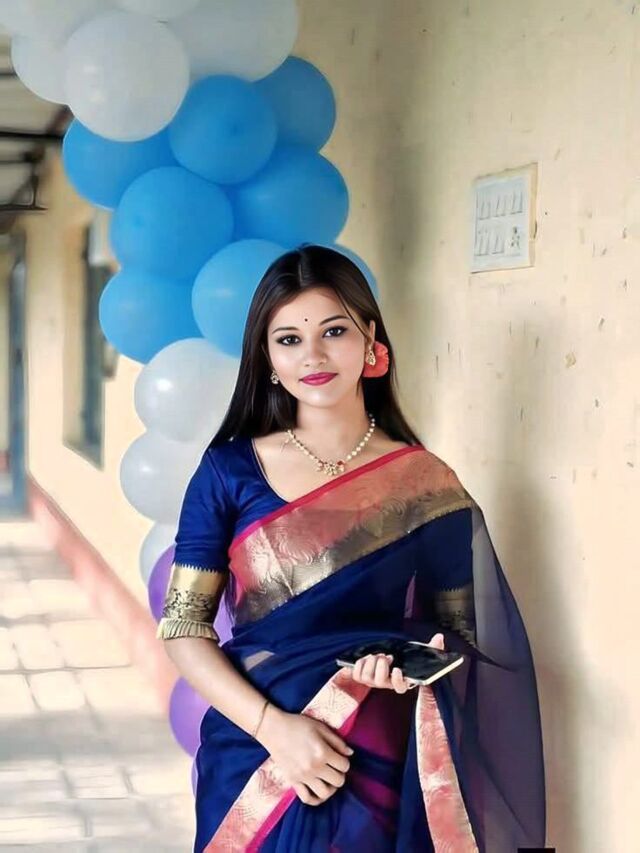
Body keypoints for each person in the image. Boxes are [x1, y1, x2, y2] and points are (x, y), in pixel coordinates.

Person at [157, 245, 546, 852]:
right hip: (258, 753)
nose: (312, 356)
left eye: (333, 331)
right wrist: (276, 731)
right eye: (289, 339)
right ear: (267, 358)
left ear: (370, 340)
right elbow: (184, 626)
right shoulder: (227, 472)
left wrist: (407, 663)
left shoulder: (423, 482)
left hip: (382, 756)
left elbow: (459, 637)